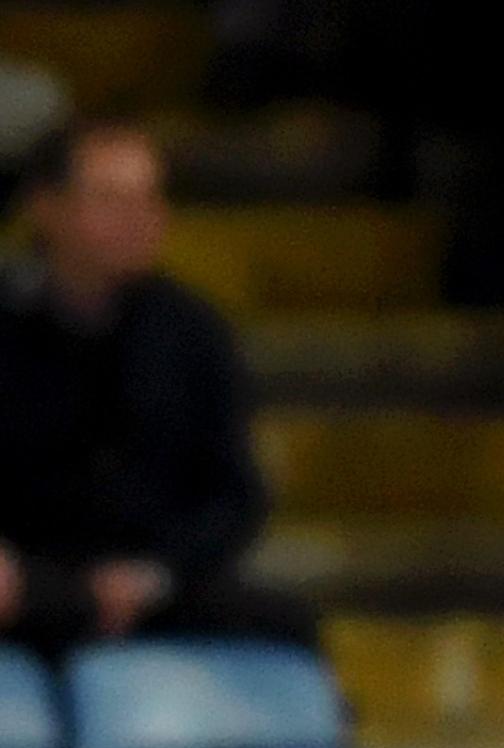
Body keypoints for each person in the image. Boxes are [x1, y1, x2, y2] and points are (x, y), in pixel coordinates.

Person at [0, 119, 316, 663]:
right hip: (29, 582)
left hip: (154, 584)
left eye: (149, 199)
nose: (137, 220)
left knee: (285, 621)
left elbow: (235, 495)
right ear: (45, 207)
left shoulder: (191, 330)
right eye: (110, 199)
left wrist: (154, 574)